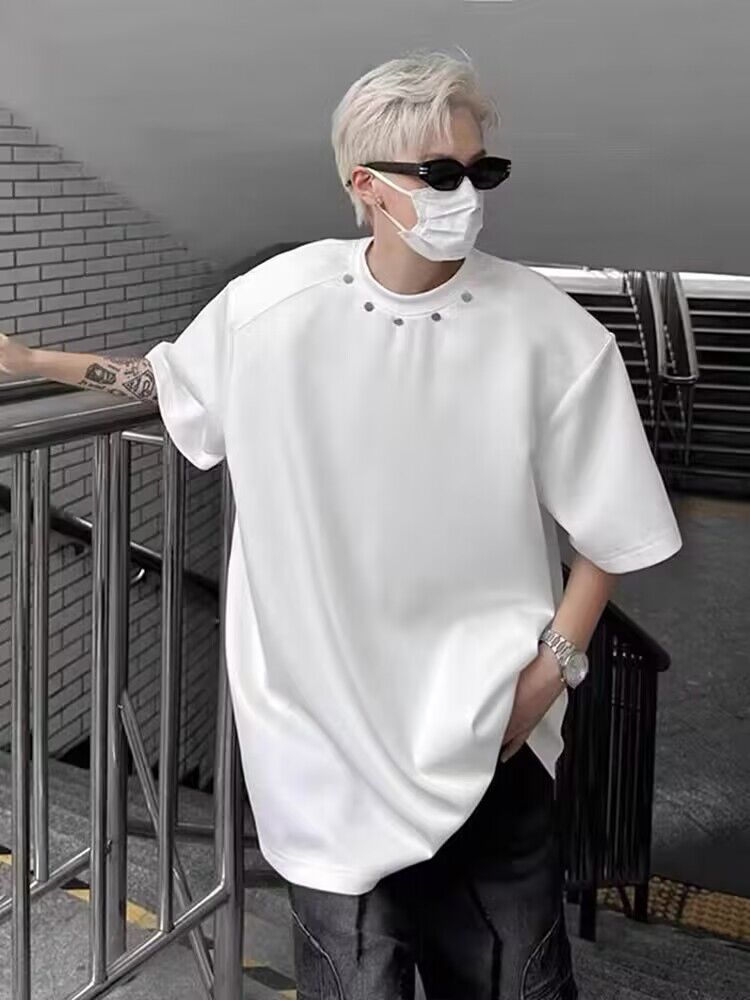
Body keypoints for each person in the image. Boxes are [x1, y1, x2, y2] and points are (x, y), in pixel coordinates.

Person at [0, 48, 682, 1000]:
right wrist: (34, 361)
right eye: (438, 174)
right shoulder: (273, 305)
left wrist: (548, 676)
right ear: (364, 185)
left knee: (514, 980)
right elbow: (167, 382)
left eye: (481, 171)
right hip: (317, 739)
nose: (466, 196)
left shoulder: (553, 333)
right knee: (352, 982)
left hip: (489, 731)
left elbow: (611, 533)